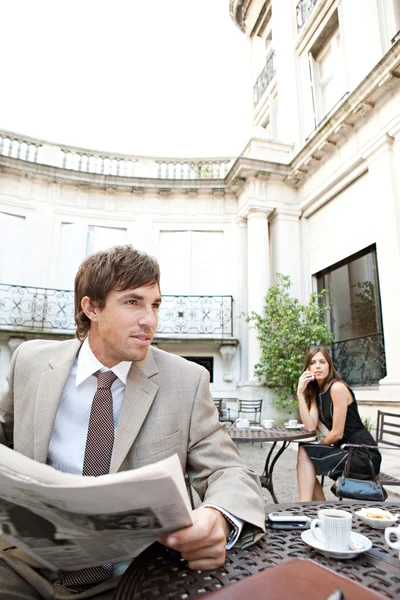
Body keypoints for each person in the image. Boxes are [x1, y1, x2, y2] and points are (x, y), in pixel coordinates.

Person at [0, 245, 265, 600]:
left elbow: (230, 471)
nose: (150, 320)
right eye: (133, 302)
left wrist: (217, 515)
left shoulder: (186, 381)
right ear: (91, 308)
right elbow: (5, 436)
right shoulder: (30, 361)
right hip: (23, 567)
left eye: (154, 305)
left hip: (134, 576)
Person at [296, 346, 381, 502]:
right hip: (346, 449)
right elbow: (310, 426)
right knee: (306, 462)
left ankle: (305, 508)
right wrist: (300, 393)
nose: (318, 366)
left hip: (363, 453)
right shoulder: (317, 393)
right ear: (308, 368)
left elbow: (337, 433)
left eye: (322, 362)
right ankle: (316, 509)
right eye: (313, 363)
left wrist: (319, 447)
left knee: (305, 456)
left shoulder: (337, 388)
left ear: (329, 365)